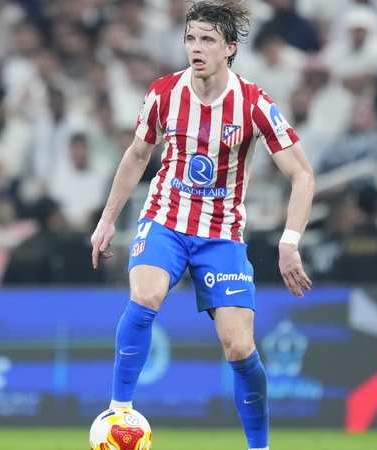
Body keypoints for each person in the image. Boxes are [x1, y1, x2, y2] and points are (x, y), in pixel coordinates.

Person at [89, 3, 315, 450]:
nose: (196, 47)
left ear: (230, 48)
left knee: (239, 347)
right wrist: (107, 218)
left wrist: (290, 242)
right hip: (166, 218)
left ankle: (259, 447)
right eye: (191, 38)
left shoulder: (253, 102)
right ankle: (119, 411)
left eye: (208, 39)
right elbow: (138, 155)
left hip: (221, 233)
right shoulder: (164, 93)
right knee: (146, 295)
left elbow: (303, 175)